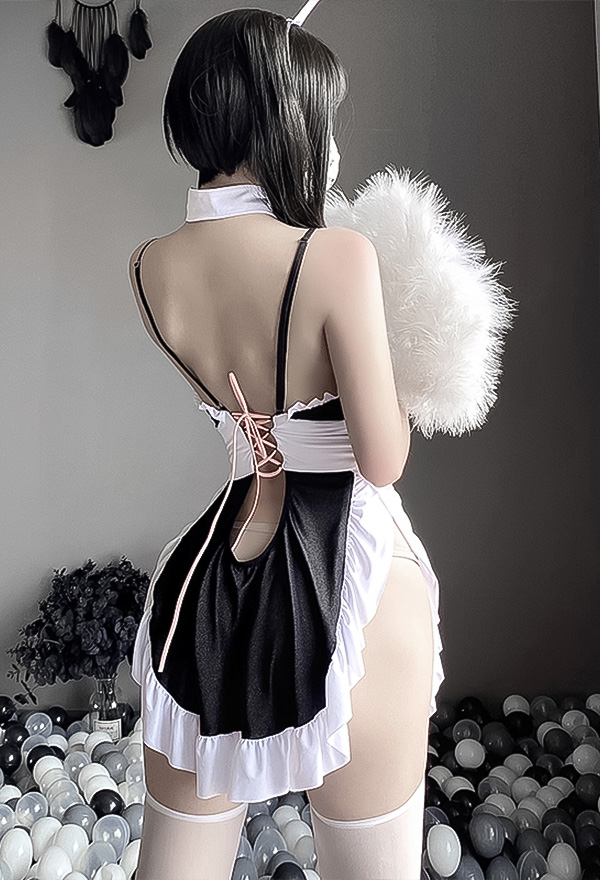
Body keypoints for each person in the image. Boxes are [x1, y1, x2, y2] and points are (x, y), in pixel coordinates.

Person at [127, 6, 443, 879]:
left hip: (205, 587)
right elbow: (382, 459)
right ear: (285, 115)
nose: (329, 140)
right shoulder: (337, 256)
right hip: (353, 586)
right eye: (323, 116)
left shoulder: (150, 266)